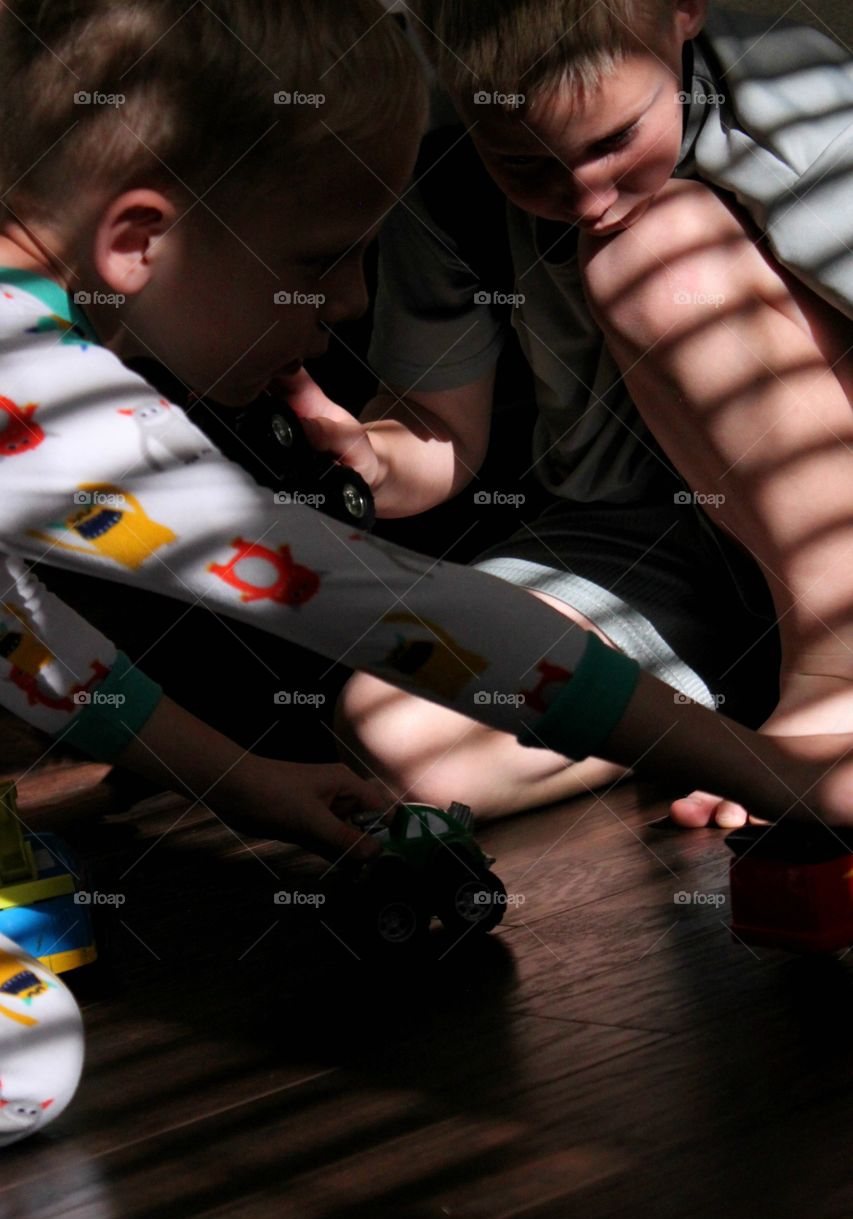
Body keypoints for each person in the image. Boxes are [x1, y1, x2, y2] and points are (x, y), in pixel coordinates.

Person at [1, 0, 853, 869]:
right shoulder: (55, 415)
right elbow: (406, 614)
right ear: (139, 239)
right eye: (317, 262)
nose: (346, 303)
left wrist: (239, 781)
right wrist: (778, 775)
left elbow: (17, 640)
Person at [315, 0, 853, 824]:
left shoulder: (793, 91)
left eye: (611, 143)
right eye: (524, 167)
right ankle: (755, 721)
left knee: (653, 256)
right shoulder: (442, 166)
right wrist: (365, 457)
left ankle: (835, 673)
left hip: (829, 514)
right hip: (652, 534)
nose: (584, 198)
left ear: (682, 12)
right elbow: (439, 428)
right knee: (404, 732)